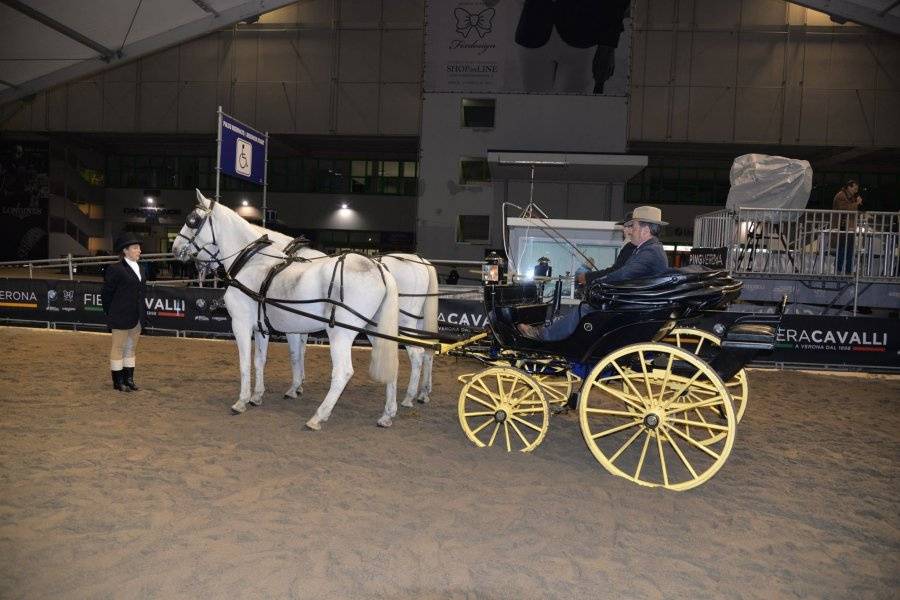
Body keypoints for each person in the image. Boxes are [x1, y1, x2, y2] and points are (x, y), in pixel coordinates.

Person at [517, 206, 668, 341]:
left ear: (645, 230)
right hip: (637, 306)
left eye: (633, 227)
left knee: (584, 310)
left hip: (633, 309)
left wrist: (597, 282)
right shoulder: (649, 249)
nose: (630, 231)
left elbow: (622, 274)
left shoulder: (649, 252)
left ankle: (545, 335)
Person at [101, 232, 147, 392]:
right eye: (135, 248)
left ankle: (129, 380)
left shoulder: (141, 269)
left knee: (131, 348)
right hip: (120, 315)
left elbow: (142, 294)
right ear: (125, 251)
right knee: (118, 348)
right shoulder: (115, 269)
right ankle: (118, 382)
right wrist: (111, 312)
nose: (139, 250)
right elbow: (106, 294)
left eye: (139, 248)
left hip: (137, 317)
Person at [832, 180, 863, 274]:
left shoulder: (851, 198)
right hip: (842, 227)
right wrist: (857, 203)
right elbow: (844, 209)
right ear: (849, 187)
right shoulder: (840, 196)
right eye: (855, 188)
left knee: (850, 250)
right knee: (841, 249)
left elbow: (852, 210)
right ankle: (838, 270)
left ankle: (848, 271)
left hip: (850, 228)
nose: (856, 191)